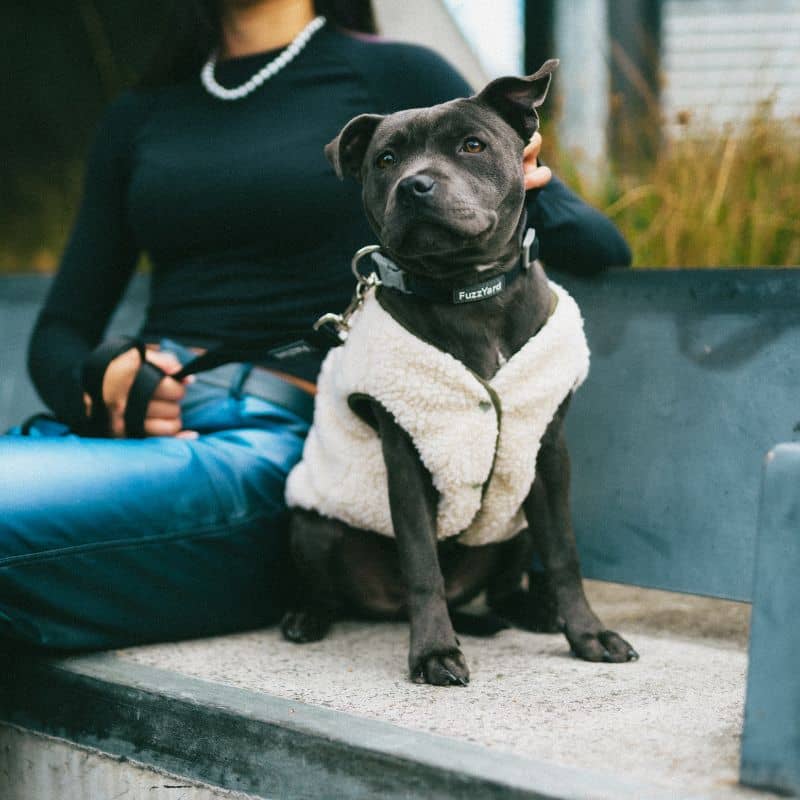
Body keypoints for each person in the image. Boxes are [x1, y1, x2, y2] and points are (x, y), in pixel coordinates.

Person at [0, 0, 631, 652]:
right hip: (136, 429)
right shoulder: (140, 115)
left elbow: (598, 246)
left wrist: (529, 181)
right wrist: (95, 380)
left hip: (286, 444)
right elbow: (60, 332)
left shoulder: (398, 74)